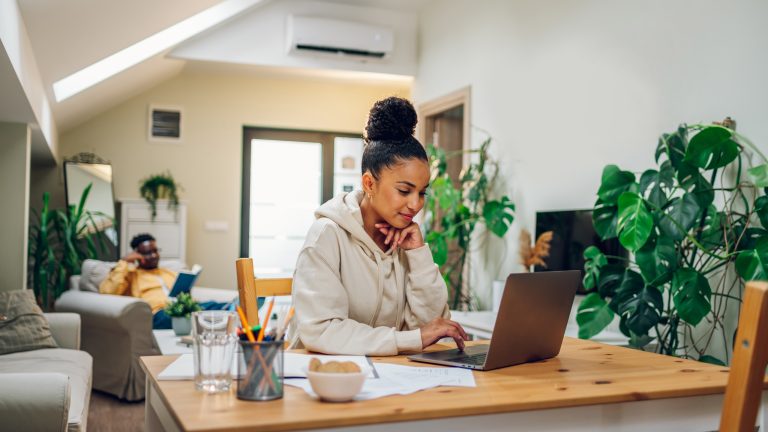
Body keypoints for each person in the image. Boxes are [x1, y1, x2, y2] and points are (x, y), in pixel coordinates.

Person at [290, 96, 469, 356]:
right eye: (404, 190)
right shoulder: (326, 236)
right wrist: (409, 339)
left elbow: (431, 328)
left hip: (387, 373)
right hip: (323, 374)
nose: (416, 204)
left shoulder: (405, 241)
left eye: (422, 193)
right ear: (369, 184)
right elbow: (322, 331)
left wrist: (418, 255)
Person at [99, 233, 228, 329]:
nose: (154, 255)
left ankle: (230, 307)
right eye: (148, 253)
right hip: (158, 315)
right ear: (137, 255)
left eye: (155, 251)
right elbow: (108, 293)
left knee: (211, 305)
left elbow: (184, 295)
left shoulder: (169, 272)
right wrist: (124, 262)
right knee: (183, 314)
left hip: (181, 309)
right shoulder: (131, 275)